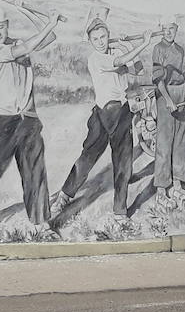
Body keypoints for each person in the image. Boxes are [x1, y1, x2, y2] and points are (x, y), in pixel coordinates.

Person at [0, 2, 63, 238]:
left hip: (28, 117)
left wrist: (28, 10)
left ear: (7, 24)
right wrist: (50, 21)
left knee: (35, 170)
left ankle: (40, 221)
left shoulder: (18, 43)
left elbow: (48, 37)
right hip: (2, 117)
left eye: (1, 27)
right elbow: (24, 49)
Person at [51, 18, 155, 227]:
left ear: (109, 35)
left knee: (123, 162)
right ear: (90, 41)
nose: (100, 42)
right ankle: (64, 196)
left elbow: (138, 70)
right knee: (87, 158)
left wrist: (126, 45)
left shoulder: (117, 52)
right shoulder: (96, 59)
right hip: (102, 114)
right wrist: (144, 43)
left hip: (122, 112)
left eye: (103, 37)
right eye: (95, 38)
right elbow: (119, 63)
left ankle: (120, 211)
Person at [151, 16, 185, 205]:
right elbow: (158, 78)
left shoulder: (180, 50)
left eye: (172, 28)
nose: (168, 32)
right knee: (164, 142)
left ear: (177, 29)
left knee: (181, 141)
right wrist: (168, 100)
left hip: (181, 91)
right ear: (161, 29)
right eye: (165, 29)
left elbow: (181, 75)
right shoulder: (158, 49)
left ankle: (177, 185)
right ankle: (161, 189)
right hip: (165, 93)